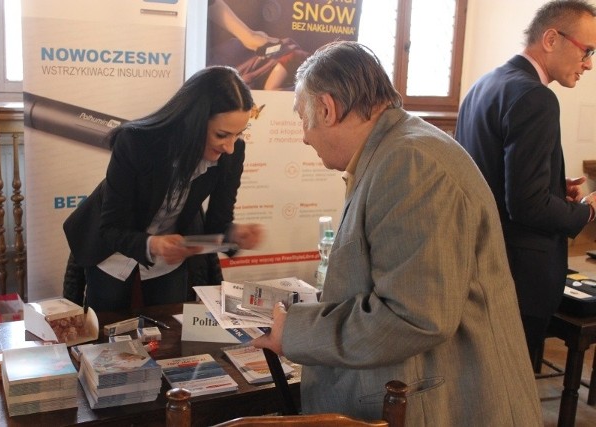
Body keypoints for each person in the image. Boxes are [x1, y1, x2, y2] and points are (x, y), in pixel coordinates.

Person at [252, 41, 543, 426]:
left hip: (454, 403)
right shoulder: (395, 151)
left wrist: (296, 332)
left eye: (303, 118)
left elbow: (416, 316)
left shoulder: (411, 163)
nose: (304, 137)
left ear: (327, 108)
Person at [455, 0, 596, 369]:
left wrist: (552, 187)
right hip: (517, 278)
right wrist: (587, 210)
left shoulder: (485, 84)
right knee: (508, 395)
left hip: (479, 265)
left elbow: (493, 177)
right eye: (588, 51)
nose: (589, 65)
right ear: (552, 38)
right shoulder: (537, 97)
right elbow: (527, 205)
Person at [63, 66, 263, 312]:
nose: (230, 147)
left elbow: (216, 227)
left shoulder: (233, 154)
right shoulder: (136, 142)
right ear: (194, 121)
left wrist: (234, 234)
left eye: (238, 134)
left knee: (170, 334)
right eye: (222, 135)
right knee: (106, 334)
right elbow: (112, 229)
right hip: (110, 254)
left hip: (167, 263)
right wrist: (154, 244)